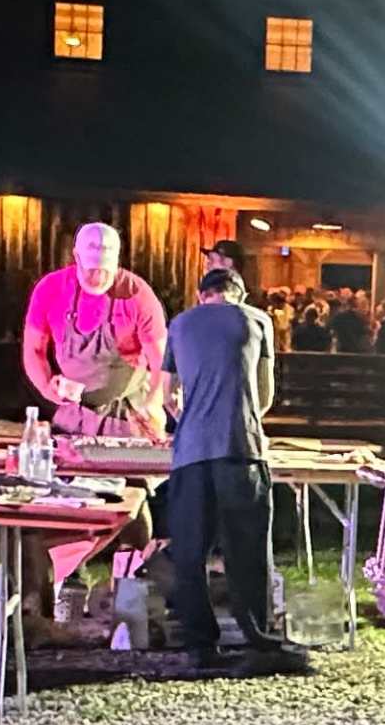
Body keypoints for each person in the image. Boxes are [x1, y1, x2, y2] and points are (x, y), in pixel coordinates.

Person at [159, 262, 310, 676]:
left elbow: (167, 396)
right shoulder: (258, 320)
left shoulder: (180, 323)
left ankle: (200, 646)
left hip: (190, 454)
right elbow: (265, 395)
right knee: (247, 550)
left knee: (190, 553)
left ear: (202, 294)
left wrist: (191, 419)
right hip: (241, 448)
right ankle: (257, 639)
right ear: (239, 294)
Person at [20, 219, 168, 435]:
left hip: (127, 414)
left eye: (105, 271)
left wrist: (153, 404)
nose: (98, 278)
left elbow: (162, 363)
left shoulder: (138, 295)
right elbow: (33, 350)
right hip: (74, 412)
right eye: (91, 270)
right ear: (77, 257)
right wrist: (46, 386)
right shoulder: (50, 289)